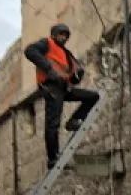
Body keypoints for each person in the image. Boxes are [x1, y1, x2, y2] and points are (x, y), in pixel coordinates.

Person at [24, 23, 101, 170]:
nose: (64, 37)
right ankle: (53, 157)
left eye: (66, 35)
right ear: (54, 34)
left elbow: (72, 76)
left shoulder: (67, 54)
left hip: (64, 88)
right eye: (61, 34)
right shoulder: (47, 43)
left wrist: (77, 75)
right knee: (53, 123)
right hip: (51, 87)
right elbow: (30, 51)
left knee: (93, 97)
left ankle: (74, 121)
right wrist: (48, 69)